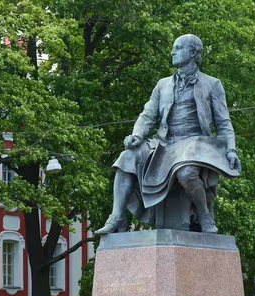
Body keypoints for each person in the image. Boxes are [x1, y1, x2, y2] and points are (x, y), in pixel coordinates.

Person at [95, 34, 241, 235]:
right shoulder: (162, 85)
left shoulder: (212, 84)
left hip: (194, 143)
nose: (172, 52)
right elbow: (147, 115)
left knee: (186, 172)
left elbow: (224, 123)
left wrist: (231, 150)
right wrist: (137, 135)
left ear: (193, 53)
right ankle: (117, 216)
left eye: (178, 48)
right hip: (164, 144)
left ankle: (204, 214)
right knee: (127, 158)